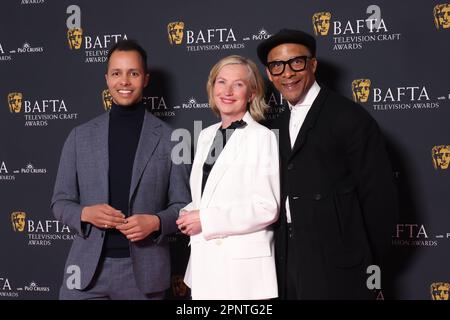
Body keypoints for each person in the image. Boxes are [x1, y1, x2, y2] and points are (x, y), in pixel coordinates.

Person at [256, 29, 398, 299]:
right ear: (269, 73)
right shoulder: (275, 125)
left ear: (313, 64)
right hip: (287, 261)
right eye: (277, 66)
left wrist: (364, 265)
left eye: (296, 62)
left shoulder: (350, 118)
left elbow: (381, 202)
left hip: (341, 266)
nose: (287, 73)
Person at [51, 39, 191, 300]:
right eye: (117, 73)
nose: (124, 81)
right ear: (107, 79)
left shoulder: (173, 139)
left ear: (145, 79)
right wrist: (85, 213)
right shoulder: (79, 137)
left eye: (133, 73)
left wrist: (156, 222)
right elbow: (60, 202)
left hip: (144, 276)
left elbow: (183, 205)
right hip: (85, 272)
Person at [176, 55, 280, 300]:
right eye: (221, 82)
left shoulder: (262, 137)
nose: (228, 91)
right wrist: (189, 212)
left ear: (252, 93)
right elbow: (209, 194)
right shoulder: (206, 135)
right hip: (205, 265)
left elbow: (267, 207)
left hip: (242, 273)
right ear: (212, 88)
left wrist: (205, 219)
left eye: (239, 84)